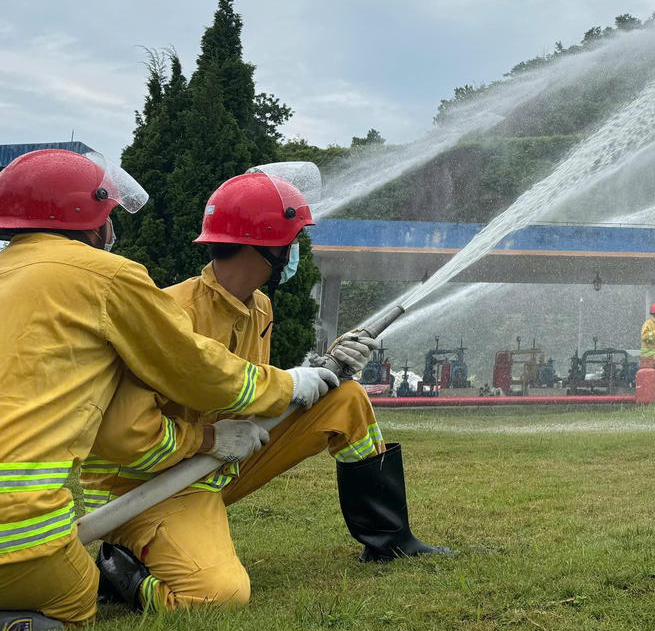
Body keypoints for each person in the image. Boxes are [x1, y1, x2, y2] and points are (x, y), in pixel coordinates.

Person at [83, 168, 450, 615]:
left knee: (345, 401)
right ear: (269, 245)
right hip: (150, 486)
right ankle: (120, 572)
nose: (296, 251)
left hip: (221, 461)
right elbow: (127, 439)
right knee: (217, 597)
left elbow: (253, 386)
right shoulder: (170, 314)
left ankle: (390, 541)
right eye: (292, 241)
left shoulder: (260, 306)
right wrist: (213, 440)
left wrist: (322, 369)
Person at [0, 149, 338, 628]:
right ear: (92, 220)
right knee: (77, 601)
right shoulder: (109, 278)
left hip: (190, 474)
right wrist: (280, 389)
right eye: (110, 215)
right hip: (33, 526)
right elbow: (198, 369)